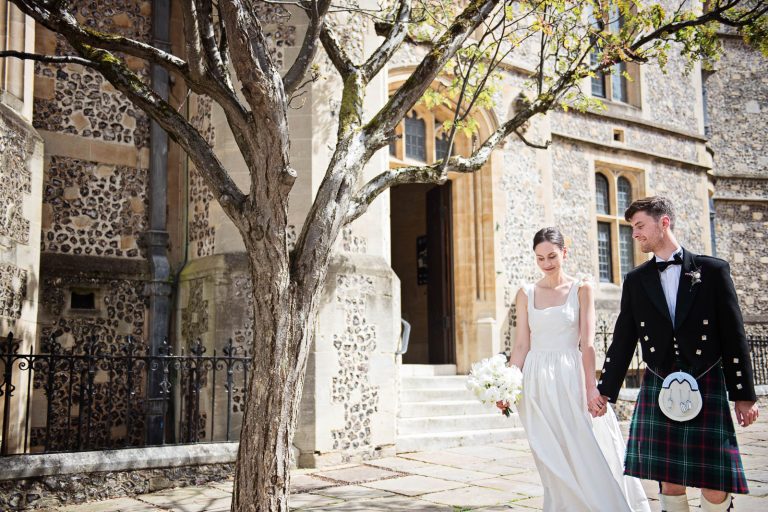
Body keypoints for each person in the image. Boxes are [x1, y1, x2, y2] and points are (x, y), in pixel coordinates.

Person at [591, 196, 759, 512]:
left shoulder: (712, 271)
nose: (635, 234)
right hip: (660, 383)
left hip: (704, 380)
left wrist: (744, 395)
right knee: (668, 478)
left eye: (640, 226)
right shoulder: (636, 280)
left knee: (713, 479)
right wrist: (605, 392)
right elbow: (623, 340)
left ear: (663, 222)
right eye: (632, 228)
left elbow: (734, 337)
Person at [498, 227, 650, 512]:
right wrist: (507, 385)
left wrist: (592, 388)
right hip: (536, 383)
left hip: (571, 377)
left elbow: (589, 344)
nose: (547, 263)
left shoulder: (582, 289)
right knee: (550, 455)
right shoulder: (525, 293)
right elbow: (520, 346)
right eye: (540, 258)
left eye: (552, 256)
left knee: (585, 447)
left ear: (564, 253)